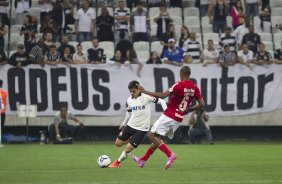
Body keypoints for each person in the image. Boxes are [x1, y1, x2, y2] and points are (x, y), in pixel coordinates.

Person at [133, 66, 205, 170]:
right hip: (178, 119)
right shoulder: (194, 87)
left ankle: (170, 155)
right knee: (157, 139)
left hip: (169, 115)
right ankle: (142, 160)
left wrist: (145, 92)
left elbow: (163, 95)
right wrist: (188, 110)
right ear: (189, 74)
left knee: (151, 135)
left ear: (181, 74)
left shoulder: (178, 85)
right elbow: (202, 104)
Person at [109, 80, 167, 168]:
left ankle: (117, 162)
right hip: (130, 126)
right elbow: (129, 112)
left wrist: (166, 113)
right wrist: (124, 123)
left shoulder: (146, 97)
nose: (132, 93)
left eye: (133, 91)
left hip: (141, 129)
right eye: (130, 91)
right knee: (117, 143)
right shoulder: (129, 100)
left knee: (128, 148)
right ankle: (130, 143)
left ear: (138, 89)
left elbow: (162, 101)